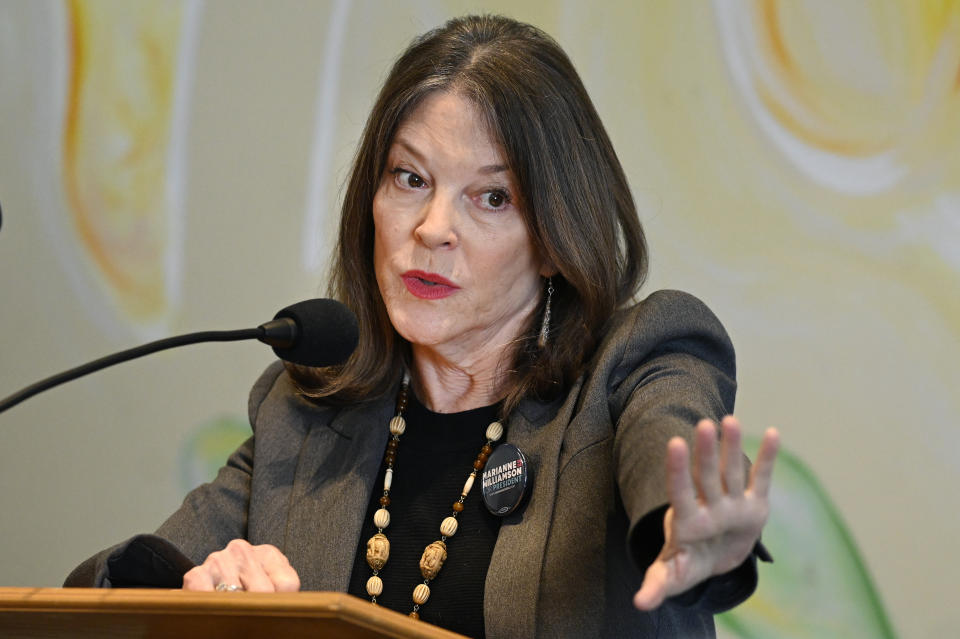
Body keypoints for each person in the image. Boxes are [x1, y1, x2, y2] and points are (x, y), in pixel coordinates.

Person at [66, 14, 779, 638]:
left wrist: (688, 525)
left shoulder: (636, 365)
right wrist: (193, 589)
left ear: (557, 236)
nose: (433, 227)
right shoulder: (306, 417)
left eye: (492, 197)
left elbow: (670, 443)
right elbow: (95, 599)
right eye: (410, 178)